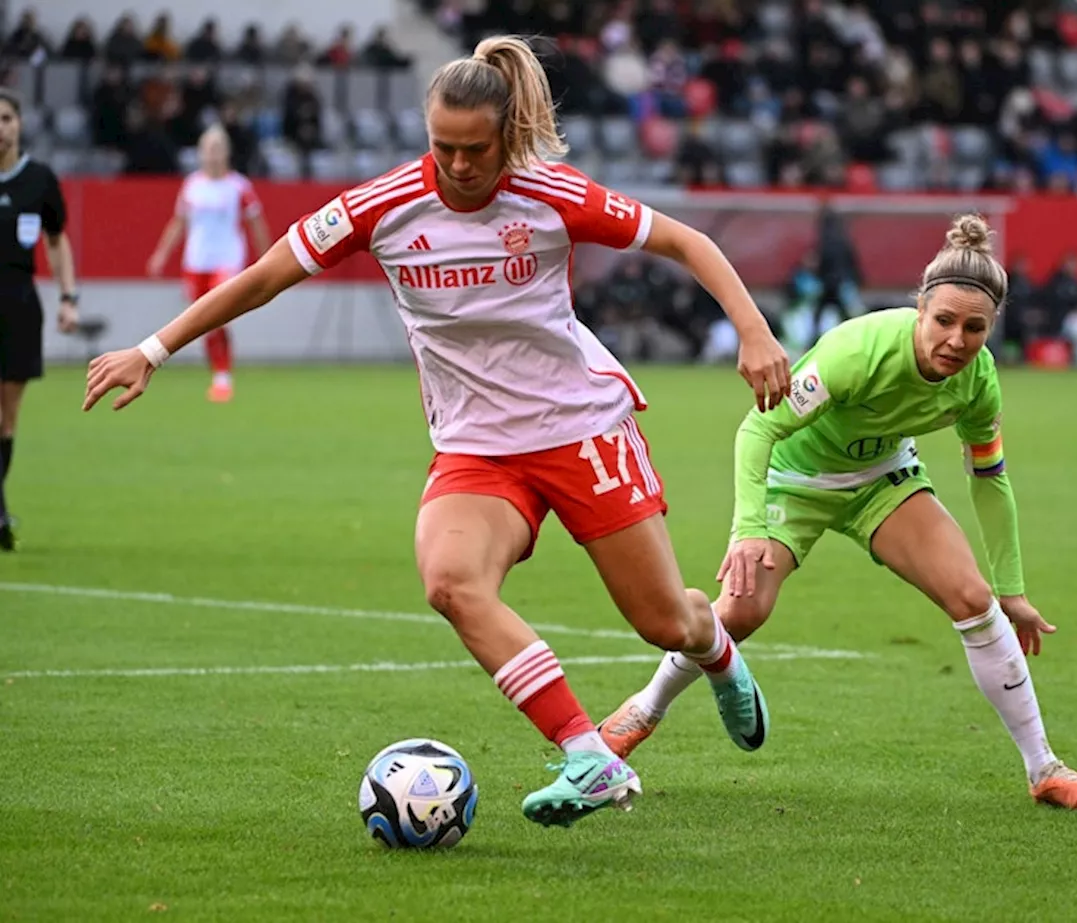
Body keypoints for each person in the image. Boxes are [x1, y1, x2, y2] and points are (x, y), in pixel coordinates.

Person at [84, 36, 791, 828]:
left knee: (666, 620)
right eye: (442, 147)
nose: (457, 164)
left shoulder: (550, 193)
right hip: (478, 447)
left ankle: (718, 656)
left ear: (506, 134)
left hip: (580, 430)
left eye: (475, 149)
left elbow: (685, 241)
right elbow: (262, 277)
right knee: (450, 582)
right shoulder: (381, 206)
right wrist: (153, 349)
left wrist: (754, 332)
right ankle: (587, 754)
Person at [599, 215, 1077, 814]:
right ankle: (643, 708)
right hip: (796, 479)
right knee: (741, 613)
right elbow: (759, 428)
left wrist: (1013, 589)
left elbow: (990, 479)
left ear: (991, 327)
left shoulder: (979, 381)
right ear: (919, 309)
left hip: (882, 481)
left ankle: (1044, 768)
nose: (956, 339)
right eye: (944, 321)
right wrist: (750, 529)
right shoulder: (859, 349)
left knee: (974, 599)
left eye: (975, 328)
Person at [0, 89, 80, 551]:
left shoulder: (39, 180)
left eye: (7, 117)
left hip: (19, 303)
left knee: (7, 418)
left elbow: (56, 241)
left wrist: (68, 297)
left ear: (21, 123)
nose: (1, 126)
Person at [147, 124, 271, 401]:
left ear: (226, 152)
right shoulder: (192, 186)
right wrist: (161, 254)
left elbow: (256, 223)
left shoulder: (239, 186)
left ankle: (223, 377)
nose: (212, 154)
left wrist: (266, 259)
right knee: (201, 321)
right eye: (208, 149)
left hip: (227, 261)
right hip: (196, 261)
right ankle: (218, 374)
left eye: (217, 148)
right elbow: (178, 223)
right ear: (200, 153)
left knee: (218, 317)